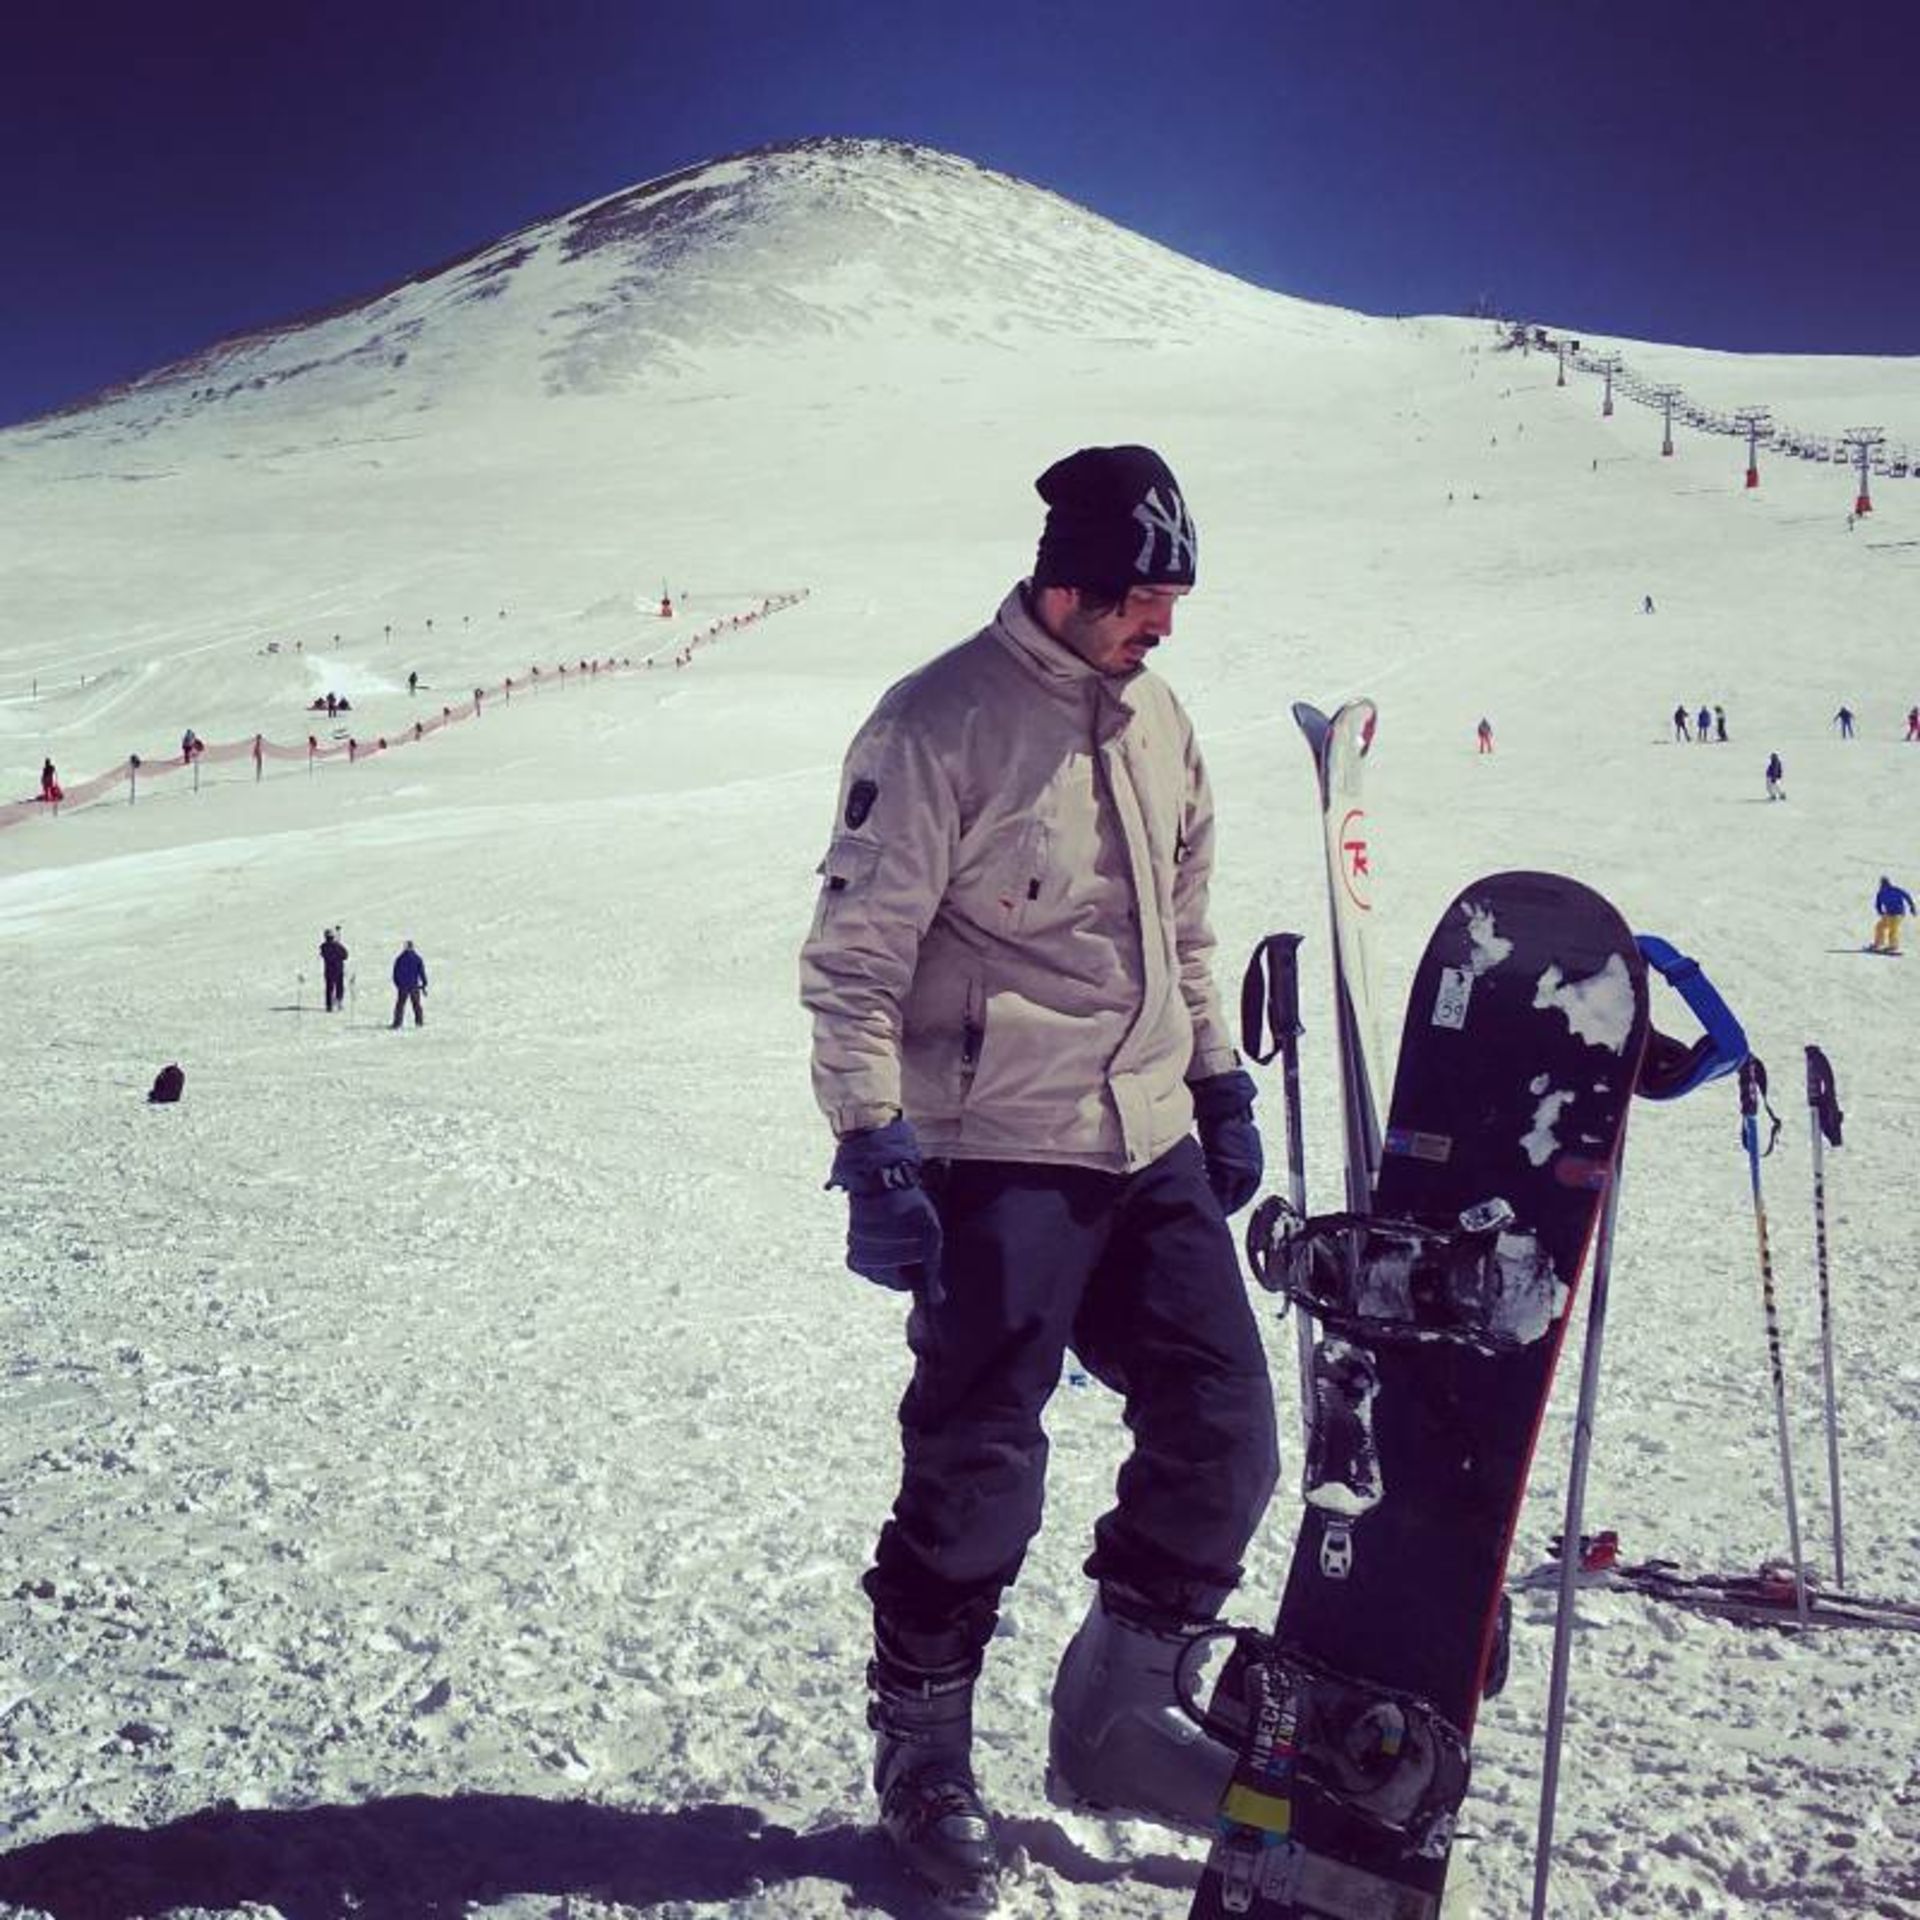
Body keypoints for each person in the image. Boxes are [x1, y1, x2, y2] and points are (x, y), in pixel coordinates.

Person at [799, 445, 1277, 1907]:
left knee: (1227, 1432)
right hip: (994, 1148)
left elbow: (1183, 933)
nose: (1166, 626)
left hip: (1145, 1144)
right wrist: (873, 1141)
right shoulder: (937, 723)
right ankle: (924, 1753)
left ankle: (1117, 1720)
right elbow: (854, 961)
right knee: (979, 1463)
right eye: (1144, 598)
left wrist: (1213, 1077)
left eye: (1176, 599)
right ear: (1067, 584)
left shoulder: (1159, 721)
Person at [1871, 876, 1915, 954]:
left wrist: (1912, 907)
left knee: (1893, 928)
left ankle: (1893, 946)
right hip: (1888, 914)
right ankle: (1878, 943)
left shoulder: (1895, 890)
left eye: (1885, 883)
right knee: (1879, 926)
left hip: (1898, 913)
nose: (1884, 885)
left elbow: (1907, 896)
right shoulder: (1881, 893)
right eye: (1883, 883)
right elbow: (1878, 904)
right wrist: (1880, 912)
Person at [390, 939, 428, 1026]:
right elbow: (421, 972)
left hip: (403, 986)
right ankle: (419, 1022)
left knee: (400, 1005)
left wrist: (398, 984)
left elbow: (395, 973)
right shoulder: (417, 959)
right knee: (417, 1005)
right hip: (414, 986)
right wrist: (424, 983)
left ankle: (397, 1023)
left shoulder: (399, 959)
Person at [320, 928, 349, 1012]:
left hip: (328, 971)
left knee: (329, 988)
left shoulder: (324, 947)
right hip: (338, 969)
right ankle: (339, 1002)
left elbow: (323, 954)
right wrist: (339, 945)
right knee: (339, 986)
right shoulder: (337, 946)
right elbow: (345, 955)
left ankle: (329, 1005)